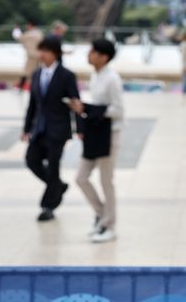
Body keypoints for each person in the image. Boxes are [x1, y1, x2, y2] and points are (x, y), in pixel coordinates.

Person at [70, 38, 124, 243]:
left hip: (110, 135)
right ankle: (102, 215)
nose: (89, 54)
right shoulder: (95, 75)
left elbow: (119, 111)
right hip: (96, 132)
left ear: (104, 56)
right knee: (81, 178)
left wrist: (88, 109)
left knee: (106, 181)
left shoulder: (112, 79)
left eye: (93, 52)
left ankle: (109, 225)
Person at [21, 37, 81, 222]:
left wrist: (80, 128)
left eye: (44, 51)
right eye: (40, 50)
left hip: (58, 130)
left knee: (54, 166)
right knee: (32, 160)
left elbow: (75, 103)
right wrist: (26, 128)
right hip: (40, 128)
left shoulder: (66, 75)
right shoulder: (37, 74)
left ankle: (48, 206)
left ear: (54, 53)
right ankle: (58, 186)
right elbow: (33, 104)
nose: (41, 54)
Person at [16, 20, 44, 90]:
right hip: (39, 56)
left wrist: (17, 29)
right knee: (37, 72)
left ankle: (20, 87)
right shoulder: (39, 33)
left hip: (32, 56)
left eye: (27, 25)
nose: (26, 26)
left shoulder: (29, 34)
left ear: (31, 25)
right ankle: (38, 87)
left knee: (27, 72)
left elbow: (19, 37)